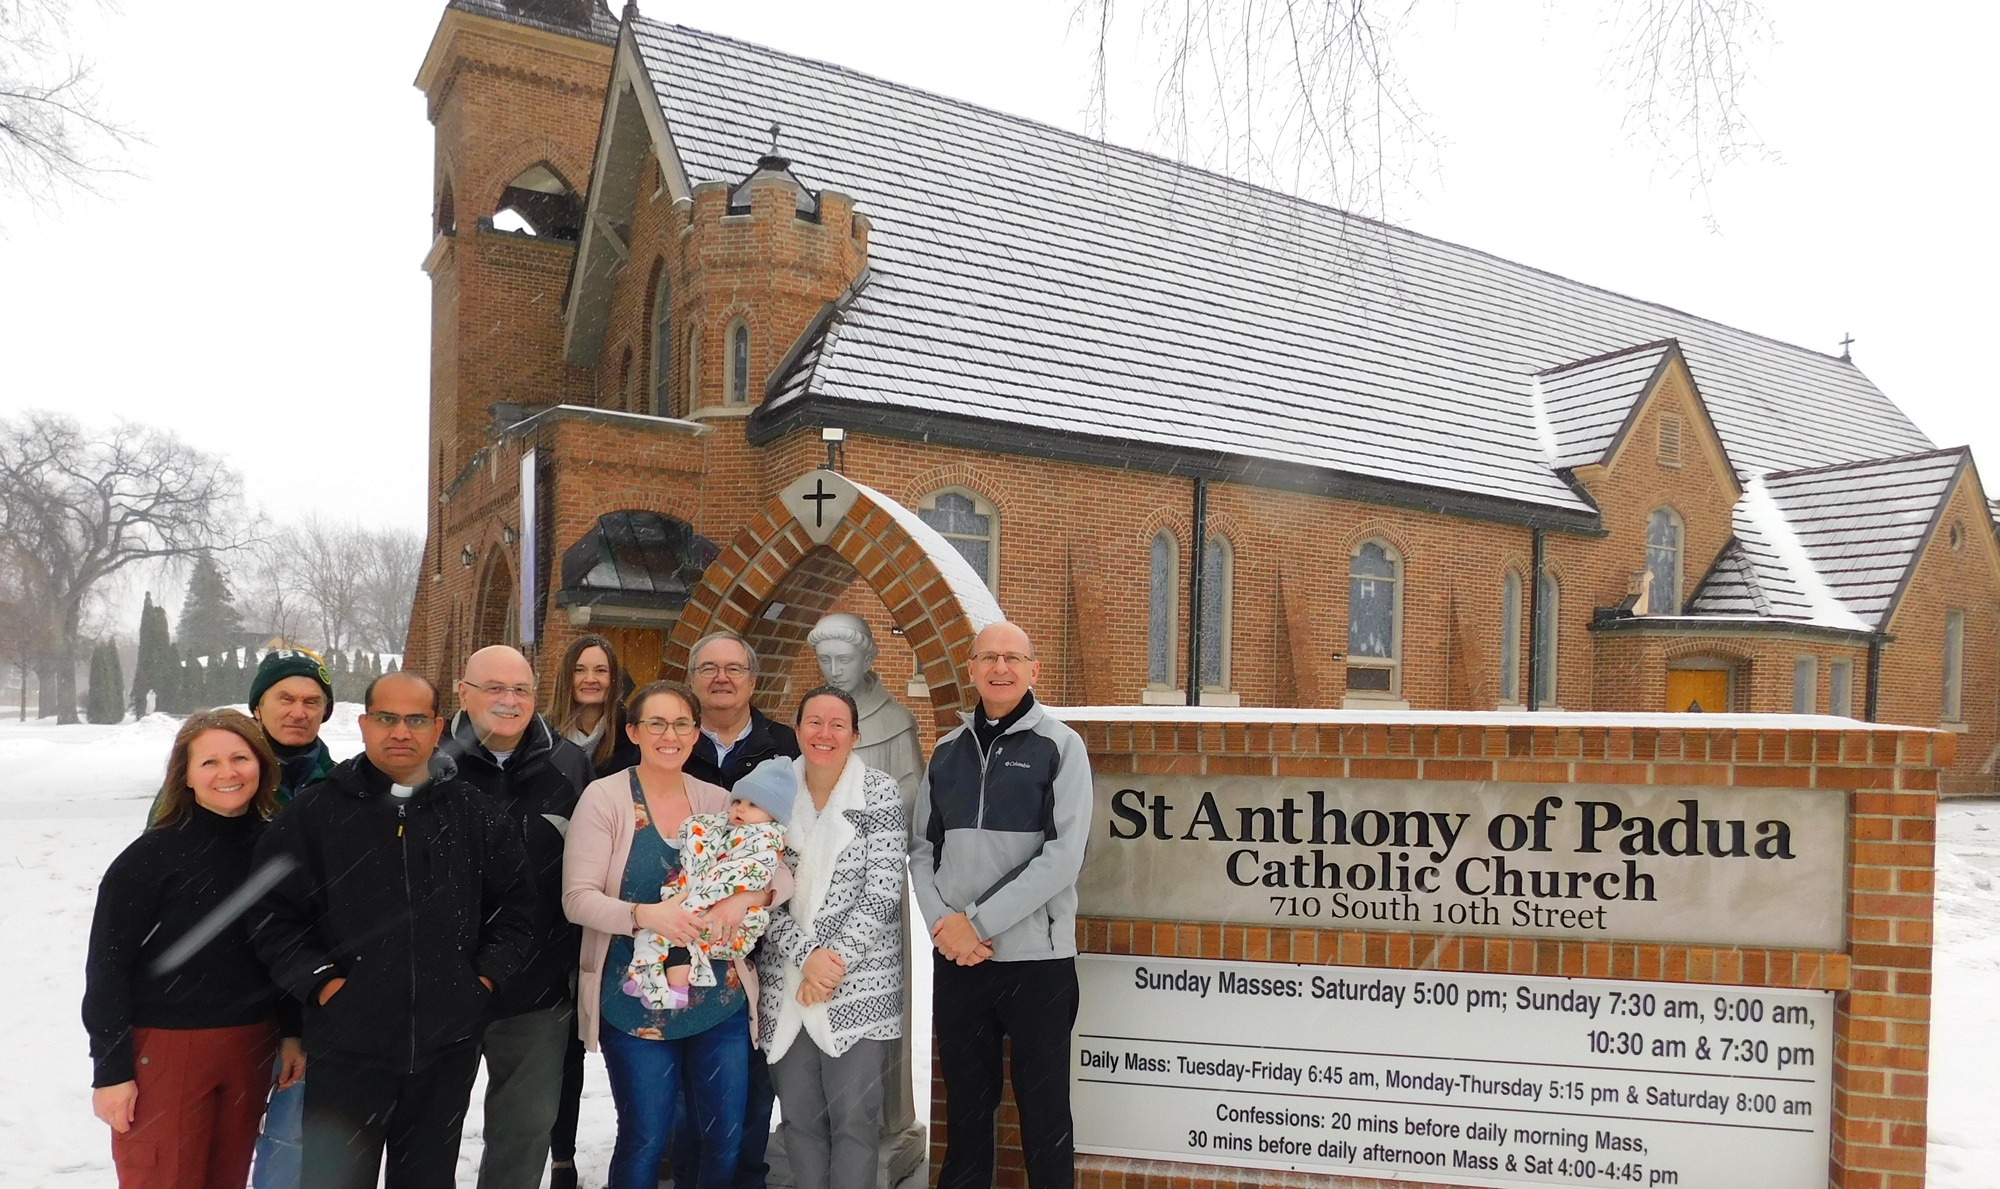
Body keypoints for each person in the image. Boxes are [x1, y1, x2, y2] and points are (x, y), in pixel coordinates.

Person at [251, 672, 535, 1189]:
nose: (400, 732)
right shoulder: (316, 814)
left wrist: (482, 981)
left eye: (415, 719)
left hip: (445, 1048)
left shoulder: (473, 814)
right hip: (346, 1048)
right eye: (386, 718)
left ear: (438, 727)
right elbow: (273, 917)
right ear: (363, 724)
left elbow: (517, 909)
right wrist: (324, 985)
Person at [563, 682, 791, 1189]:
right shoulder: (605, 799)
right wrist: (647, 916)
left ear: (696, 733)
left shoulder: (717, 799)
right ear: (633, 732)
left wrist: (743, 899)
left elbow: (777, 871)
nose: (670, 735)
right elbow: (576, 898)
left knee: (722, 1136)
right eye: (656, 724)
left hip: (720, 999)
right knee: (647, 1136)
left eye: (682, 724)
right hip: (634, 997)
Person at [83, 709, 303, 1189]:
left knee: (226, 1178)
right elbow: (107, 969)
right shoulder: (147, 860)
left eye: (240, 758)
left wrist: (291, 1032)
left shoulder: (277, 850)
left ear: (262, 766)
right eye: (209, 762)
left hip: (251, 1044)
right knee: (164, 1178)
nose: (227, 773)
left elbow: (286, 949)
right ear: (184, 775)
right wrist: (110, 1070)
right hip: (166, 1048)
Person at [910, 622, 1093, 1189]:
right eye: (988, 657)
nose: (1000, 668)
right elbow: (920, 848)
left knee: (1045, 1120)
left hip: (1037, 963)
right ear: (971, 668)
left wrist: (977, 923)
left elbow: (1064, 857)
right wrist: (945, 925)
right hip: (962, 965)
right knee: (965, 1117)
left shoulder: (1061, 747)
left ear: (1033, 670)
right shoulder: (945, 752)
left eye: (1013, 658)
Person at [439, 645, 593, 1189]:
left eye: (521, 690)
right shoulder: (429, 761)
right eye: (494, 688)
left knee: (525, 1133)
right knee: (432, 1134)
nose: (509, 701)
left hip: (536, 988)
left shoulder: (569, 764)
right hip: (442, 988)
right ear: (463, 693)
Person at [759, 687, 907, 1189]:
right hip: (788, 982)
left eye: (837, 724)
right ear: (797, 729)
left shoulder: (879, 792)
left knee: (855, 1122)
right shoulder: (773, 791)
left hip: (858, 984)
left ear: (855, 735)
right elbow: (753, 889)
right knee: (799, 1121)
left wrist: (832, 963)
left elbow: (884, 888)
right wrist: (808, 960)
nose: (825, 734)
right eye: (814, 723)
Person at [682, 631, 800, 1189]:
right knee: (683, 1082)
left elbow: (804, 846)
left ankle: (745, 1176)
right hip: (685, 938)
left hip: (765, 947)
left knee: (755, 1081)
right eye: (709, 667)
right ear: (693, 678)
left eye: (734, 668)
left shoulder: (788, 750)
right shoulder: (671, 743)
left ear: (753, 679)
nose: (722, 677)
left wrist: (758, 895)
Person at [543, 633, 640, 1189]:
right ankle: (562, 1154)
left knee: (623, 1032)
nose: (591, 679)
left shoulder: (626, 742)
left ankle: (645, 1144)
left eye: (601, 670)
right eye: (581, 669)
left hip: (619, 900)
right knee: (564, 1045)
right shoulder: (545, 740)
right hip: (561, 899)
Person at [242, 648, 338, 1189]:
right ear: (259, 705)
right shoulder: (224, 775)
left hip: (304, 994)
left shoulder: (341, 786)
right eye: (285, 698)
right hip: (223, 992)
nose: (298, 711)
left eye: (311, 701)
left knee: (290, 1141)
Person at [627, 771, 790, 1008]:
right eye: (737, 802)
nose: (740, 809)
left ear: (773, 817)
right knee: (659, 929)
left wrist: (738, 899)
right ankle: (644, 976)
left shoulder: (764, 841)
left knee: (680, 936)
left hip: (733, 923)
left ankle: (677, 990)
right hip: (701, 903)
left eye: (753, 805)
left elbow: (748, 873)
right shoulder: (723, 828)